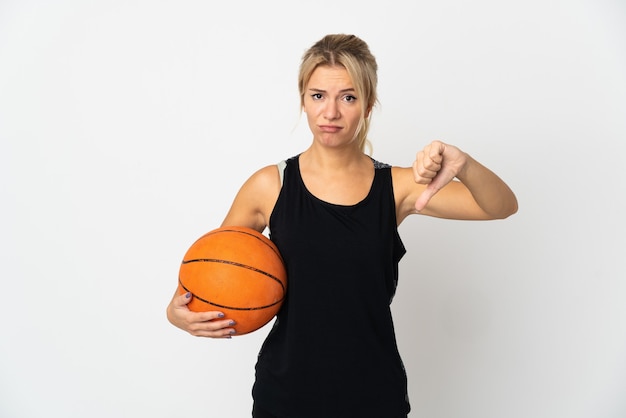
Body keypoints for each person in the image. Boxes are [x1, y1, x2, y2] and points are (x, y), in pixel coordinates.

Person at [167, 34, 518, 418]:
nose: (330, 112)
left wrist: (463, 163)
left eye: (348, 97)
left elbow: (500, 207)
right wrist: (177, 313)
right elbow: (214, 275)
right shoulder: (269, 186)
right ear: (303, 100)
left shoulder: (397, 187)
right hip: (285, 395)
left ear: (368, 106)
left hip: (374, 394)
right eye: (318, 96)